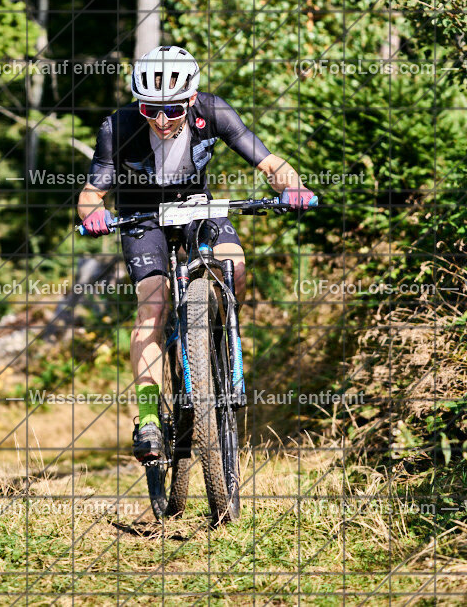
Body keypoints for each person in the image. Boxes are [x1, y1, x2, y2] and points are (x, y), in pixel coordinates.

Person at [77, 45, 317, 463]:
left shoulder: (215, 112)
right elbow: (91, 195)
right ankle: (149, 418)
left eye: (172, 109)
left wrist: (290, 187)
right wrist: (94, 213)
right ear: (139, 102)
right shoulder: (117, 127)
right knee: (151, 304)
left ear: (190, 100)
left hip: (197, 205)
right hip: (141, 216)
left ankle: (214, 352)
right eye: (151, 109)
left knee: (233, 266)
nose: (163, 120)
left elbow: (271, 163)